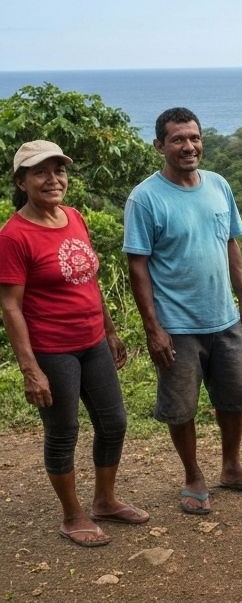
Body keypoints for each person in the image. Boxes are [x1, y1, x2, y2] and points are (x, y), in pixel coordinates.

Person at [123, 107, 242, 515]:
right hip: (176, 324)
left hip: (223, 316)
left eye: (194, 137)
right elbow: (137, 266)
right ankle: (193, 475)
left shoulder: (218, 185)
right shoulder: (145, 198)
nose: (188, 146)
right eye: (177, 139)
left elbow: (231, 245)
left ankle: (232, 467)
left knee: (234, 397)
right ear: (159, 146)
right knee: (181, 406)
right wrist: (153, 329)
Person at [0, 140, 149, 547]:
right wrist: (31, 369)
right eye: (41, 172)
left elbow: (88, 279)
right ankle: (72, 515)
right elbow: (11, 307)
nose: (53, 179)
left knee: (114, 421)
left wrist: (111, 330)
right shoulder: (13, 236)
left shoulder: (74, 217)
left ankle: (104, 500)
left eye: (59, 170)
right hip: (52, 348)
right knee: (64, 431)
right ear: (22, 181)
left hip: (92, 341)